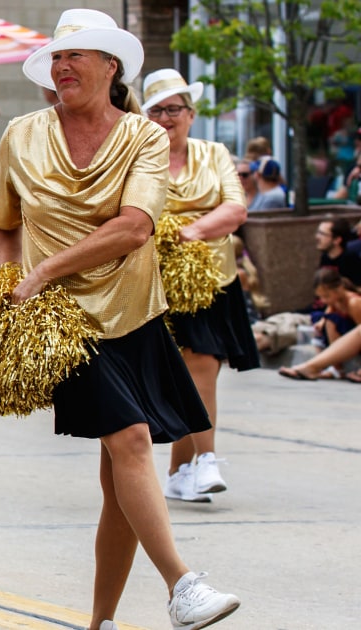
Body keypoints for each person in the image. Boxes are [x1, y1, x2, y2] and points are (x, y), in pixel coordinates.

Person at [0, 10, 239, 629]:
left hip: (135, 316)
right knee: (133, 442)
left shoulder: (144, 138)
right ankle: (182, 584)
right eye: (56, 57)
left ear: (111, 66)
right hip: (64, 326)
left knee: (118, 487)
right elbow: (3, 228)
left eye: (76, 55)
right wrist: (8, 284)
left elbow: (135, 226)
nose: (62, 66)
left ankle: (100, 623)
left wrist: (44, 269)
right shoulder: (21, 135)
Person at [140, 69, 260, 504]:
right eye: (157, 110)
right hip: (155, 282)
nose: (167, 117)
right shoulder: (138, 158)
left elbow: (235, 208)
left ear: (190, 114)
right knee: (192, 371)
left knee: (201, 369)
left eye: (175, 109)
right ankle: (193, 464)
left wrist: (187, 233)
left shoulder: (214, 154)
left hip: (212, 281)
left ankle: (191, 466)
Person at [316, 217, 361, 285]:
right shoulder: (325, 257)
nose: (317, 237)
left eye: (322, 234)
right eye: (318, 232)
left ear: (337, 240)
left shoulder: (350, 260)